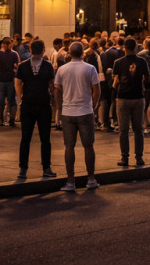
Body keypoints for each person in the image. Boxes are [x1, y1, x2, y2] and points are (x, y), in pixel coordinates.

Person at [52, 41, 98, 191]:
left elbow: (57, 90)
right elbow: (96, 90)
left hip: (68, 112)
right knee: (88, 146)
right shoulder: (90, 68)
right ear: (83, 53)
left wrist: (60, 107)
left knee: (69, 146)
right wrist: (93, 106)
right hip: (85, 110)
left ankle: (71, 181)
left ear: (69, 53)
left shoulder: (62, 70)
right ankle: (90, 178)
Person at [15, 38, 56, 181]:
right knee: (45, 139)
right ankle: (46, 167)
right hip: (44, 104)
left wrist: (20, 100)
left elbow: (18, 84)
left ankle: (23, 169)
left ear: (30, 50)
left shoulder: (22, 66)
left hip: (28, 104)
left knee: (25, 138)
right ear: (43, 49)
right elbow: (52, 84)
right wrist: (52, 95)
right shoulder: (48, 66)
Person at [112, 36, 147, 167]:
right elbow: (147, 79)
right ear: (136, 47)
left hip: (123, 97)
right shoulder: (142, 62)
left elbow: (115, 83)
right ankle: (139, 157)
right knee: (139, 129)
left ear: (124, 48)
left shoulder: (118, 62)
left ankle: (124, 157)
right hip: (138, 96)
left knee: (123, 129)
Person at [0, 37, 20, 126]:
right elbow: (16, 66)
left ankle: (2, 120)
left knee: (1, 101)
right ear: (10, 45)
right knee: (11, 100)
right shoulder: (14, 54)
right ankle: (11, 120)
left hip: (1, 79)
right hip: (10, 78)